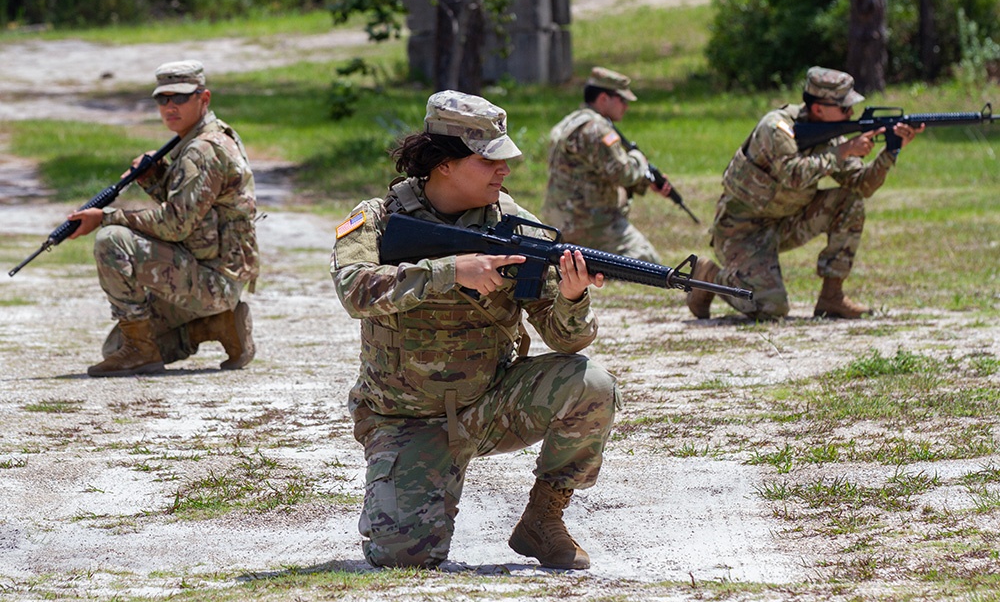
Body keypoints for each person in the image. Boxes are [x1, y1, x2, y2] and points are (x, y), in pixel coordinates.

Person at [331, 90, 618, 570]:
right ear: (445, 164)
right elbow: (354, 292)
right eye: (489, 161)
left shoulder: (516, 226)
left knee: (592, 385)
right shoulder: (378, 221)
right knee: (402, 557)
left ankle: (543, 520)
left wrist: (572, 298)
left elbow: (567, 340)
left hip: (490, 405)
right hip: (406, 419)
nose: (504, 171)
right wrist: (451, 272)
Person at [686, 66, 924, 321]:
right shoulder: (776, 128)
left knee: (848, 202)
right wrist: (844, 151)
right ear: (819, 109)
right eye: (844, 108)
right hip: (741, 232)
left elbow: (861, 185)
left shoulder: (832, 137)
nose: (851, 113)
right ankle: (708, 276)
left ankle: (832, 297)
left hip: (787, 223)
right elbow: (793, 174)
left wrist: (891, 152)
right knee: (771, 307)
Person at [68, 60, 259, 376]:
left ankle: (145, 349)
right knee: (114, 348)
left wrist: (106, 218)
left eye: (180, 98)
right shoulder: (207, 137)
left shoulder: (203, 150)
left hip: (214, 280)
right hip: (209, 271)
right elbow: (196, 211)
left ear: (204, 98)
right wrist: (157, 176)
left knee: (112, 240)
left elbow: (175, 224)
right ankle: (218, 326)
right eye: (163, 99)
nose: (170, 107)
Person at [541, 66, 673, 263]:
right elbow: (622, 173)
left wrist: (645, 182)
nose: (626, 106)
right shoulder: (596, 128)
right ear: (603, 98)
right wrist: (639, 159)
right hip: (589, 222)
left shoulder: (570, 122)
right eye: (622, 100)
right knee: (648, 261)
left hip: (559, 220)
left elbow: (595, 171)